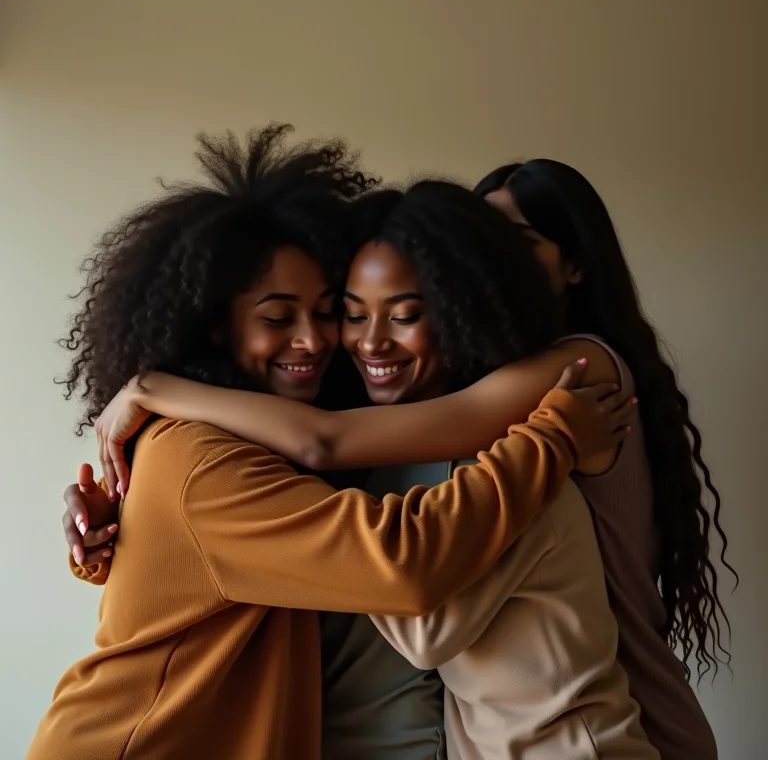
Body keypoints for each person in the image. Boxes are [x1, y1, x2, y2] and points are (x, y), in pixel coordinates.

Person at [32, 129, 628, 760]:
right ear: (213, 324)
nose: (316, 341)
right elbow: (401, 567)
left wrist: (107, 540)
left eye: (325, 311)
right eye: (278, 317)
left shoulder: (264, 438)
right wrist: (555, 434)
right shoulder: (203, 458)